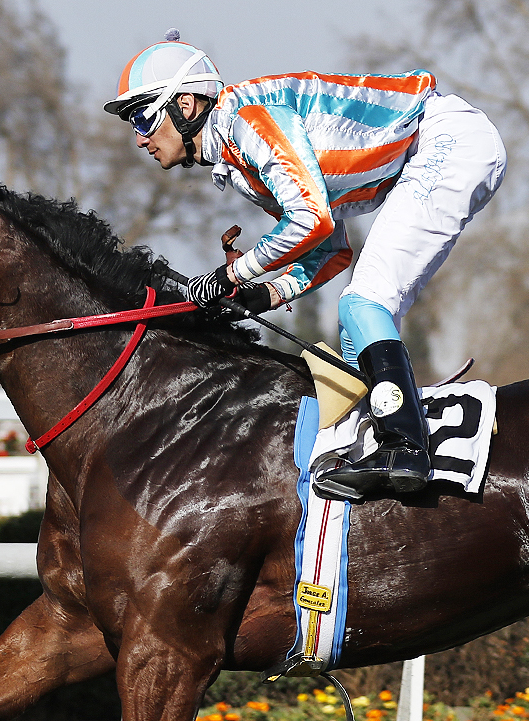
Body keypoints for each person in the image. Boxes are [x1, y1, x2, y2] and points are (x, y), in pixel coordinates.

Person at [104, 30, 506, 502]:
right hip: (432, 151)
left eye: (143, 117)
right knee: (354, 332)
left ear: (186, 106)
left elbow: (311, 220)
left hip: (446, 142)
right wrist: (267, 294)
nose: (138, 138)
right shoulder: (238, 160)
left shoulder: (247, 122)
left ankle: (405, 446)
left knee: (363, 303)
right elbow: (332, 249)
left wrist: (235, 274)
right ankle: (381, 442)